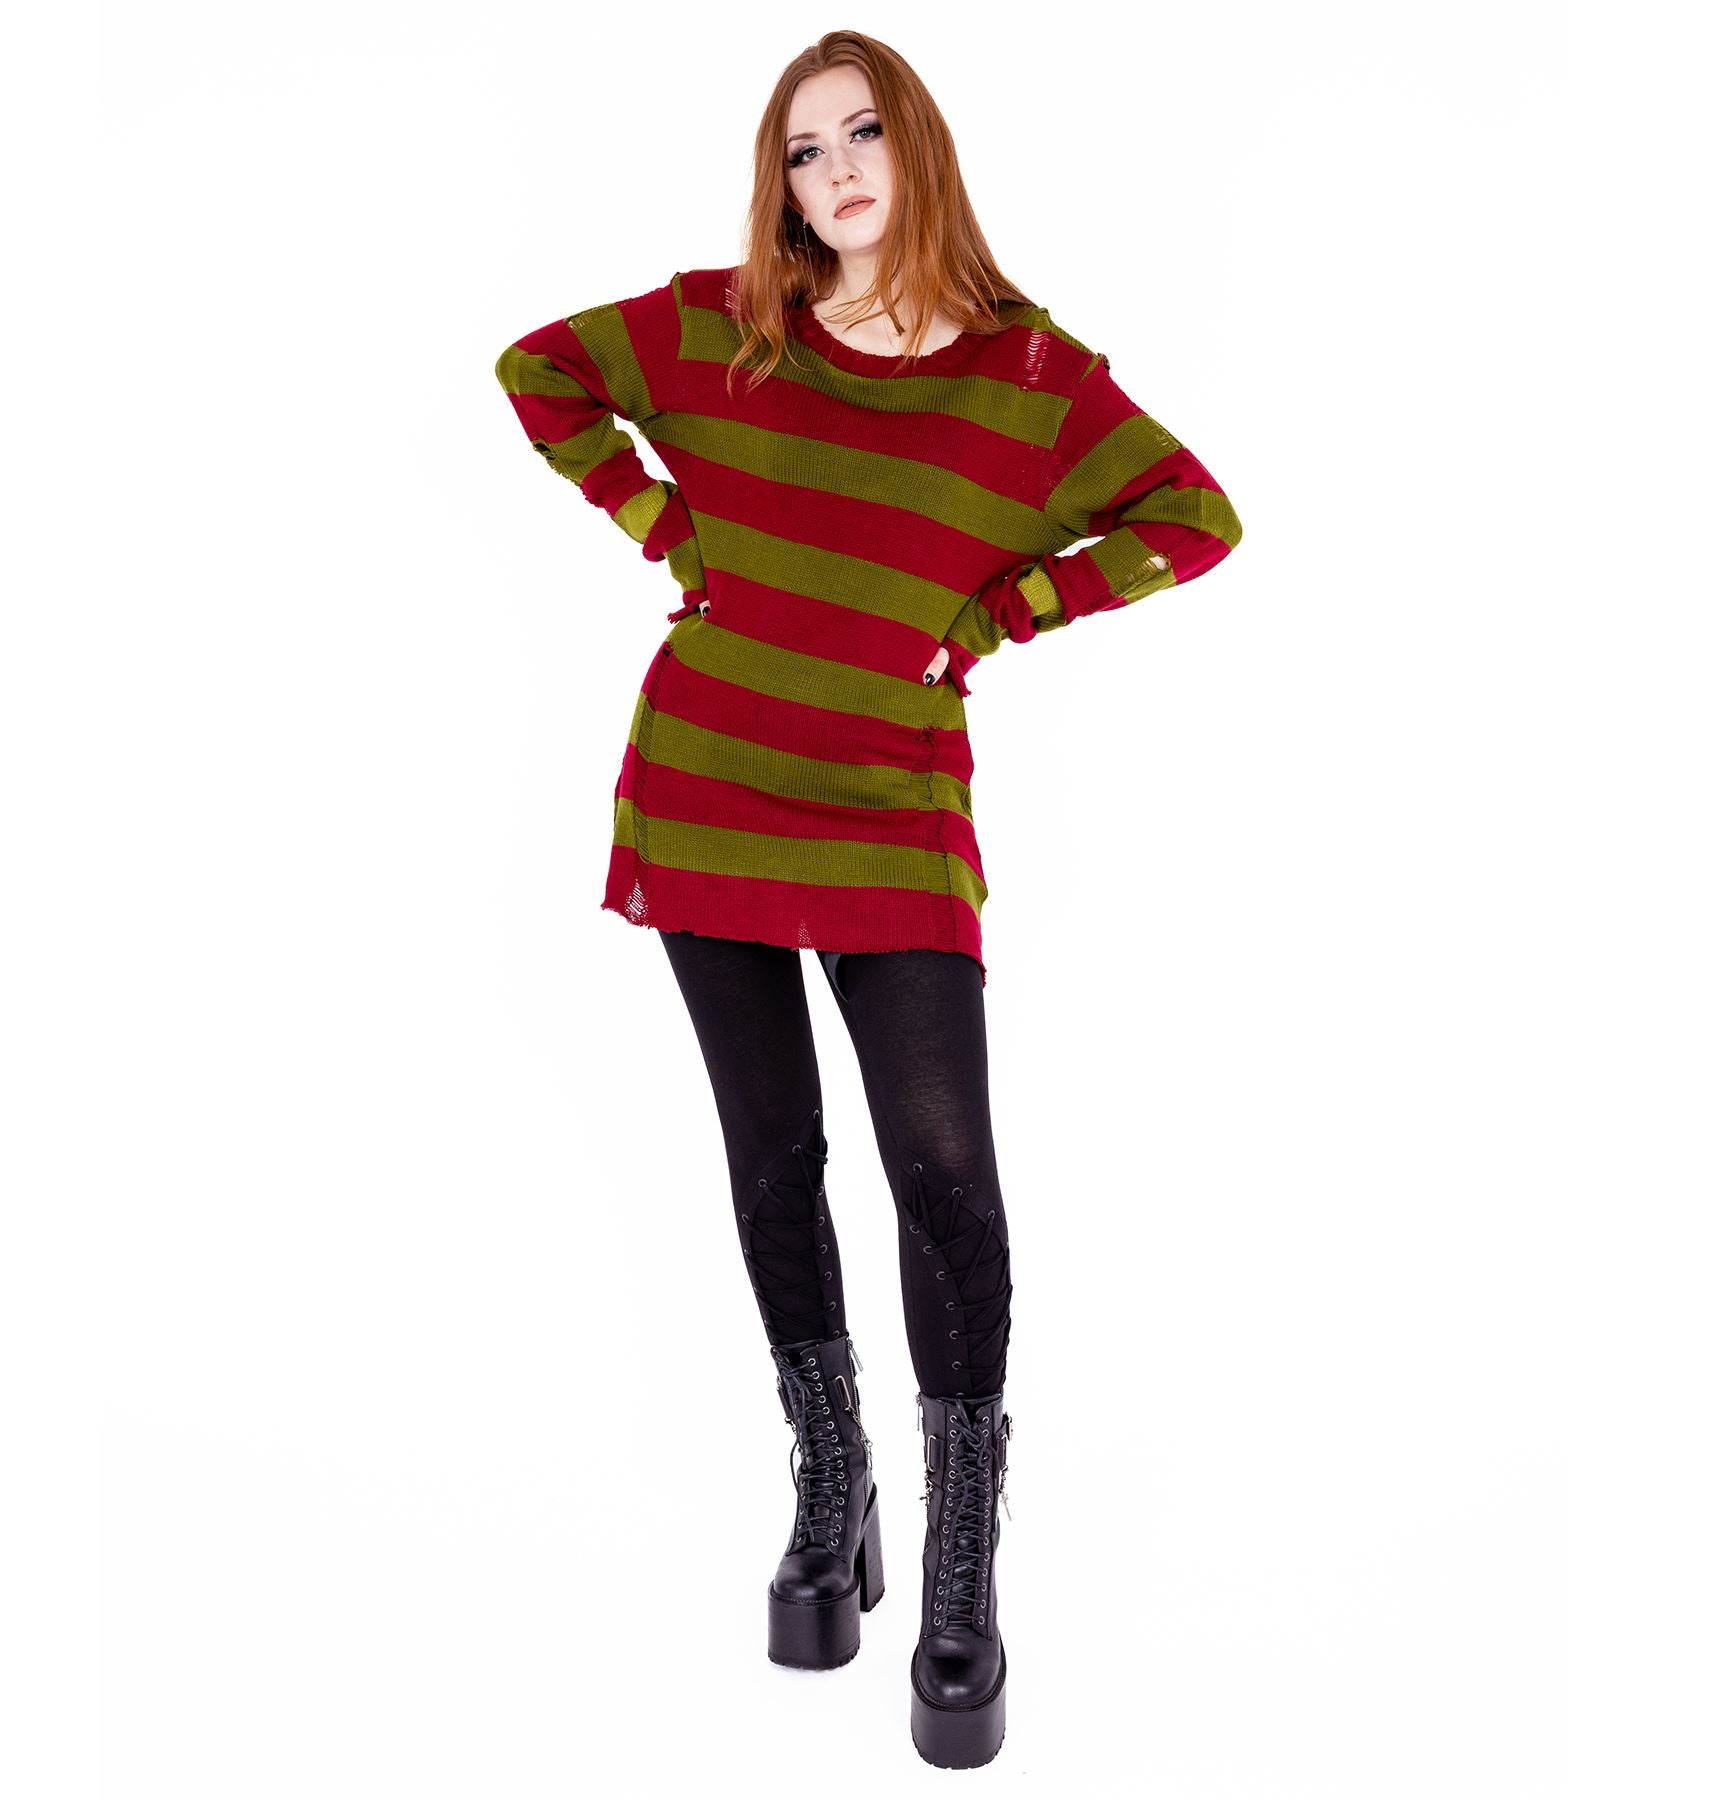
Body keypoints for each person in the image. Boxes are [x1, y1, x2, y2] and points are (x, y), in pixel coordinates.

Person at [493, 29, 1243, 1769]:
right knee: (774, 1159)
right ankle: (834, 1494)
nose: (832, 173)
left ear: (921, 152)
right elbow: (539, 371)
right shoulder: (728, 329)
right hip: (710, 784)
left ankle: (964, 1562)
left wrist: (999, 616)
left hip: (893, 817)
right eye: (801, 150)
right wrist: (672, 530)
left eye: (862, 136)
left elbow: (1197, 515)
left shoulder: (1031, 377)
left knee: (942, 1172)